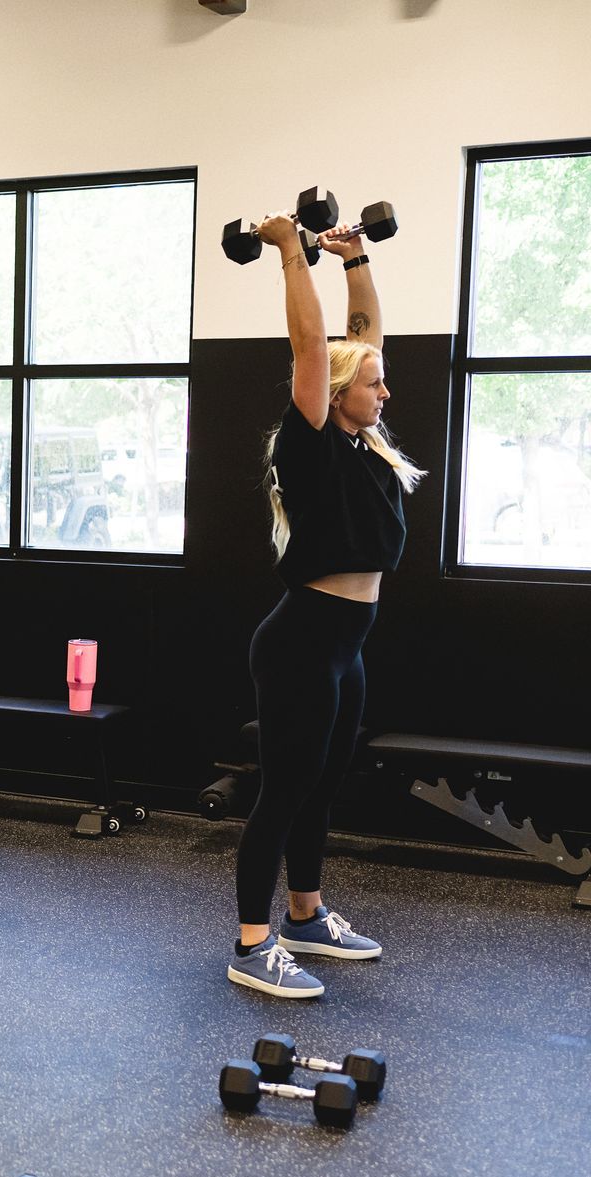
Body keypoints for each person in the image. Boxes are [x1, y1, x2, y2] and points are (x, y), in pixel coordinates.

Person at [229, 211, 426, 999]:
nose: (387, 389)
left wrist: (353, 259)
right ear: (340, 394)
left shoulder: (364, 446)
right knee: (285, 788)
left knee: (322, 781)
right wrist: (288, 253)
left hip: (347, 645)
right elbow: (317, 349)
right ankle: (252, 941)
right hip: (303, 643)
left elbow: (361, 335)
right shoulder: (310, 442)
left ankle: (306, 915)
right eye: (374, 382)